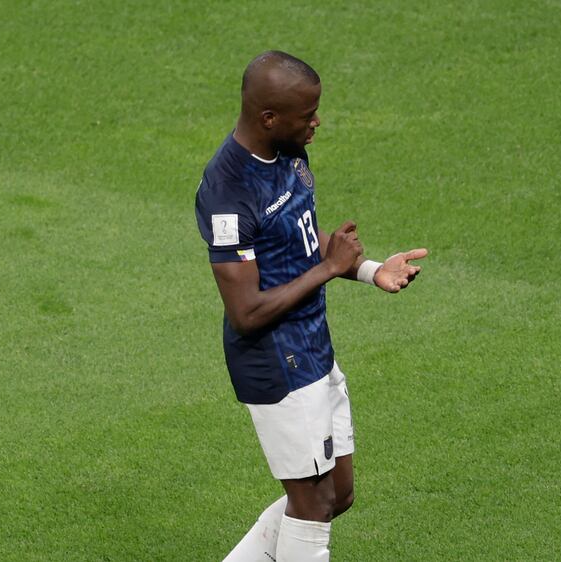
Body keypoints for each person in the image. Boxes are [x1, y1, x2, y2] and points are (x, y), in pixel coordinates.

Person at [195, 50, 427, 561]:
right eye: (307, 115)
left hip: (312, 345)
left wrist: (368, 270)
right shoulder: (227, 192)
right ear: (269, 118)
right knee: (312, 504)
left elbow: (298, 239)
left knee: (338, 495)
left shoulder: (290, 150)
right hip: (273, 362)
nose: (317, 122)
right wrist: (328, 269)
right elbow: (246, 311)